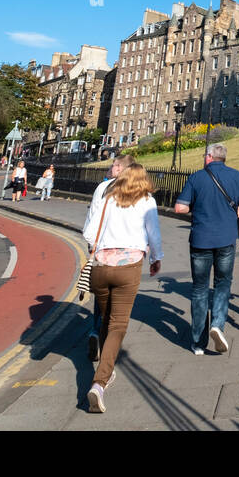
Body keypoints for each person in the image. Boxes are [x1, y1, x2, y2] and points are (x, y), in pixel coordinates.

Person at [82, 162, 162, 413]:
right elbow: (154, 235)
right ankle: (99, 382)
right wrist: (156, 258)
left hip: (101, 267)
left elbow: (88, 233)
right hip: (128, 268)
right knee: (117, 326)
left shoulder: (108, 198)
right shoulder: (147, 201)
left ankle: (106, 370)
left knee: (107, 321)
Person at [175, 143, 239, 355]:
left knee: (199, 289)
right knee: (222, 284)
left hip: (200, 240)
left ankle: (198, 342)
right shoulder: (237, 177)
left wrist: (195, 207)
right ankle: (217, 324)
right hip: (226, 240)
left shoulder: (196, 177)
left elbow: (179, 207)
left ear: (209, 157)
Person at [85, 153, 135, 362]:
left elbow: (91, 219)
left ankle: (97, 331)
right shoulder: (135, 191)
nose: (112, 168)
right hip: (125, 253)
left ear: (121, 169)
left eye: (115, 166)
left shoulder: (101, 188)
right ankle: (106, 344)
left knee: (101, 293)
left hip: (101, 250)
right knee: (119, 300)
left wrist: (90, 244)